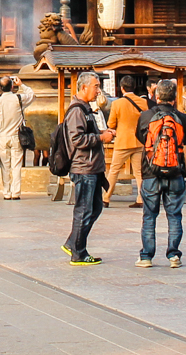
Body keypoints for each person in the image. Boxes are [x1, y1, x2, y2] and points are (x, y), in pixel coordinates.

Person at [136, 78, 186, 268]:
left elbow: (140, 136)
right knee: (174, 215)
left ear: (156, 95)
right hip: (175, 171)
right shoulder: (181, 117)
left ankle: (146, 256)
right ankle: (174, 255)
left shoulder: (145, 115)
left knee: (149, 215)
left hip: (151, 171)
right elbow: (184, 139)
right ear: (174, 97)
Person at [61, 71, 113, 264]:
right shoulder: (77, 110)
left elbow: (86, 132)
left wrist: (103, 132)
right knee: (84, 209)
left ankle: (73, 242)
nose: (98, 90)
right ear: (84, 87)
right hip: (84, 167)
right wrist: (100, 137)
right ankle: (78, 252)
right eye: (96, 86)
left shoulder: (86, 109)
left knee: (96, 207)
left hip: (92, 166)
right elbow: (76, 139)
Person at [0, 74, 36, 199]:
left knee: (5, 166)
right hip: (16, 136)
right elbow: (32, 95)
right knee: (16, 165)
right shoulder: (19, 99)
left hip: (2, 137)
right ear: (12, 86)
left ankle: (6, 192)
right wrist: (22, 85)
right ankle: (16, 192)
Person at [105, 74, 149, 207]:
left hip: (123, 141)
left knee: (114, 170)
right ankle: (141, 199)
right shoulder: (143, 102)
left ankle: (106, 198)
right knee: (139, 172)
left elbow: (111, 123)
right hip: (139, 141)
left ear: (122, 88)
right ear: (134, 87)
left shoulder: (117, 103)